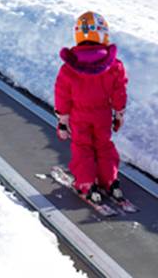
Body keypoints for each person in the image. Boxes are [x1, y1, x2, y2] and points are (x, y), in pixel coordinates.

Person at [54, 11, 127, 204]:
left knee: (82, 147)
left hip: (79, 115)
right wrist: (119, 113)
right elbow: (119, 91)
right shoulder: (114, 65)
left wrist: (63, 119)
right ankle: (110, 180)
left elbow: (62, 94)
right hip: (102, 114)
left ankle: (86, 183)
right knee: (104, 145)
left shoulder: (69, 67)